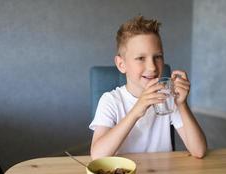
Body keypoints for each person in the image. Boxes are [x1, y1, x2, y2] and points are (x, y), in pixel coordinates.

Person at [89, 16, 207, 159]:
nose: (152, 67)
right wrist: (136, 111)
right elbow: (97, 156)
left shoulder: (167, 97)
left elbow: (199, 151)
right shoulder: (110, 101)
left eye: (157, 56)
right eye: (141, 58)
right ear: (121, 64)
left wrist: (182, 104)